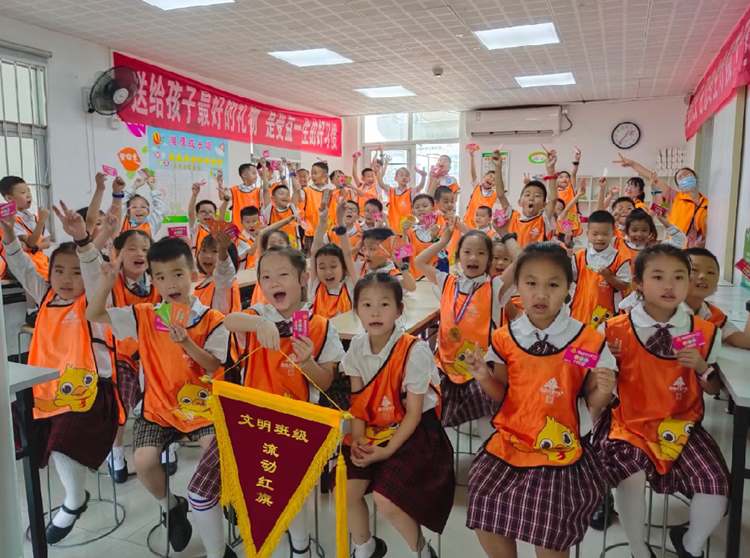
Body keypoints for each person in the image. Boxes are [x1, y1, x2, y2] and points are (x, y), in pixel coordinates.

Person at [465, 242, 617, 557]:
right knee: (483, 505)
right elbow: (503, 396)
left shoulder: (585, 340)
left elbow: (594, 401)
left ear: (569, 290)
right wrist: (483, 376)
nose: (541, 294)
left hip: (563, 450)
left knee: (549, 529)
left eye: (553, 285)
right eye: (531, 283)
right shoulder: (505, 338)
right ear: (517, 287)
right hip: (511, 441)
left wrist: (605, 388)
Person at [86, 237, 233, 558]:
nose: (171, 284)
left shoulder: (211, 319)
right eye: (161, 277)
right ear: (152, 280)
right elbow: (94, 313)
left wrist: (187, 344)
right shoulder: (145, 314)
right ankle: (172, 507)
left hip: (203, 410)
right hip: (159, 410)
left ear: (193, 273)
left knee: (215, 452)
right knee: (143, 460)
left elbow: (214, 364)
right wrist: (106, 282)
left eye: (178, 274)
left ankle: (221, 501)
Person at [593, 244, 728, 558]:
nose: (669, 285)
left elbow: (713, 388)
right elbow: (578, 364)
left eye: (679, 277)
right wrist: (602, 371)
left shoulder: (704, 331)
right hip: (628, 424)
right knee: (630, 475)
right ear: (638, 283)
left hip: (681, 426)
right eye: (658, 277)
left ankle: (690, 545)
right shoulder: (614, 329)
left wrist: (701, 367)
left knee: (716, 484)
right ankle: (638, 549)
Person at [1, 205, 120, 544]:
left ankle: (74, 501)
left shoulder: (94, 303)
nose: (66, 280)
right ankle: (70, 496)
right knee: (22, 437)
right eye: (59, 271)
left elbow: (94, 274)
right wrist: (8, 234)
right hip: (46, 392)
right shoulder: (46, 297)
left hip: (91, 394)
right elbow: (22, 267)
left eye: (76, 272)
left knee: (62, 445)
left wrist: (83, 240)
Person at [224, 246, 345, 555]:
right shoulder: (259, 314)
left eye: (282, 274)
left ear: (303, 278)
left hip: (299, 424)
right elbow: (229, 321)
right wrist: (257, 324)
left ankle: (300, 545)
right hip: (253, 421)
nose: (273, 282)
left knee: (291, 487)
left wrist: (307, 363)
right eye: (266, 277)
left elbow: (326, 382)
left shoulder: (321, 326)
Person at [344, 273, 454, 558]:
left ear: (399, 310)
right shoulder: (356, 347)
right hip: (373, 427)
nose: (375, 312)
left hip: (415, 431)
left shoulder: (414, 350)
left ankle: (422, 551)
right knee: (346, 490)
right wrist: (358, 440)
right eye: (367, 305)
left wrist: (385, 451)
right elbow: (359, 402)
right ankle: (365, 547)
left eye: (384, 304)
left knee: (386, 499)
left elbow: (414, 414)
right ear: (356, 310)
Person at [416, 225, 519, 432]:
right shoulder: (446, 281)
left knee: (486, 419)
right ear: (458, 257)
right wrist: (443, 241)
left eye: (481, 253)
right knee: (425, 405)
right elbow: (419, 262)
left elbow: (523, 261)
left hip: (482, 370)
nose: (473, 257)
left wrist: (506, 235)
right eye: (467, 252)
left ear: (489, 260)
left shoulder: (495, 288)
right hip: (445, 365)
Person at [614, 154, 708, 247]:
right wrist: (633, 164)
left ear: (695, 178)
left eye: (687, 174)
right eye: (680, 177)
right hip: (677, 248)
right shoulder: (674, 198)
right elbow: (653, 180)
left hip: (696, 249)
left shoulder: (707, 203)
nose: (685, 178)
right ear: (679, 186)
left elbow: (655, 209)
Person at [569, 210, 631, 328]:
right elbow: (568, 278)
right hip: (580, 313)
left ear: (613, 233)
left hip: (607, 315)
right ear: (588, 234)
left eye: (605, 234)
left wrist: (609, 277)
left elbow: (624, 286)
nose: (600, 238)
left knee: (603, 339)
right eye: (595, 234)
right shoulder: (579, 256)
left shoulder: (620, 258)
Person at [685, 247, 750, 348]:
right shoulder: (665, 311)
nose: (703, 276)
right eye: (694, 270)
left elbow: (746, 341)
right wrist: (710, 334)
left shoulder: (713, 315)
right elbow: (668, 347)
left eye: (710, 272)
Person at [495, 149, 558, 247]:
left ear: (544, 204)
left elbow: (553, 200)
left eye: (537, 196)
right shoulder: (513, 217)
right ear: (520, 202)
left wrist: (551, 171)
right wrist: (498, 167)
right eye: (527, 195)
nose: (531, 198)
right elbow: (500, 195)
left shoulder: (544, 219)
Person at [309, 194, 357, 318]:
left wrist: (340, 221)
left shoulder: (351, 285)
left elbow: (347, 255)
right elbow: (314, 251)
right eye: (322, 267)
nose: (328, 272)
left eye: (333, 266)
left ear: (344, 269)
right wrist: (322, 222)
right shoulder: (315, 285)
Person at [0, 175, 50, 279]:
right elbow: (30, 242)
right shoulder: (10, 219)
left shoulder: (34, 217)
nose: (28, 195)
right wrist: (41, 222)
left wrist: (35, 247)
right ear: (9, 198)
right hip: (21, 264)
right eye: (23, 193)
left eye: (29, 191)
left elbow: (47, 242)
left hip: (40, 260)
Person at [293, 161, 336, 252]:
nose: (313, 176)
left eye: (315, 173)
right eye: (312, 173)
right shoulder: (306, 191)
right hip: (311, 234)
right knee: (311, 258)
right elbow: (299, 211)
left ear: (325, 175)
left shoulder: (332, 192)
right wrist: (304, 225)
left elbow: (334, 213)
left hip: (328, 234)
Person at [194, 232, 242, 315]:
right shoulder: (205, 279)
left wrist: (222, 249)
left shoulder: (223, 281)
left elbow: (224, 268)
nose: (208, 255)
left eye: (215, 251)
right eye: (203, 250)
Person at [358, 227, 416, 292]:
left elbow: (411, 287)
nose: (366, 254)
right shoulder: (362, 266)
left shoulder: (390, 274)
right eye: (364, 248)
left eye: (372, 249)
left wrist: (402, 266)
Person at [120, 173, 166, 237]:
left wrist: (153, 187)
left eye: (143, 207)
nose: (139, 209)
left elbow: (161, 209)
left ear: (148, 212)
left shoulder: (151, 226)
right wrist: (134, 186)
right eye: (134, 207)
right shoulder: (122, 223)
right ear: (128, 212)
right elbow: (120, 203)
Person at [464, 147, 497, 228]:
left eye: (494, 179)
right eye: (490, 176)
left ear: (495, 184)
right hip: (468, 223)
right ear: (484, 176)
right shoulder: (477, 187)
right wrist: (472, 157)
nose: (491, 179)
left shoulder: (494, 195)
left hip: (483, 227)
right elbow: (473, 174)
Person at [229, 162, 261, 228]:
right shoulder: (234, 190)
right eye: (254, 173)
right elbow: (223, 197)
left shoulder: (258, 191)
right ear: (244, 175)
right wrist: (220, 185)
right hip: (237, 229)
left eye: (256, 174)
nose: (256, 176)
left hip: (254, 229)